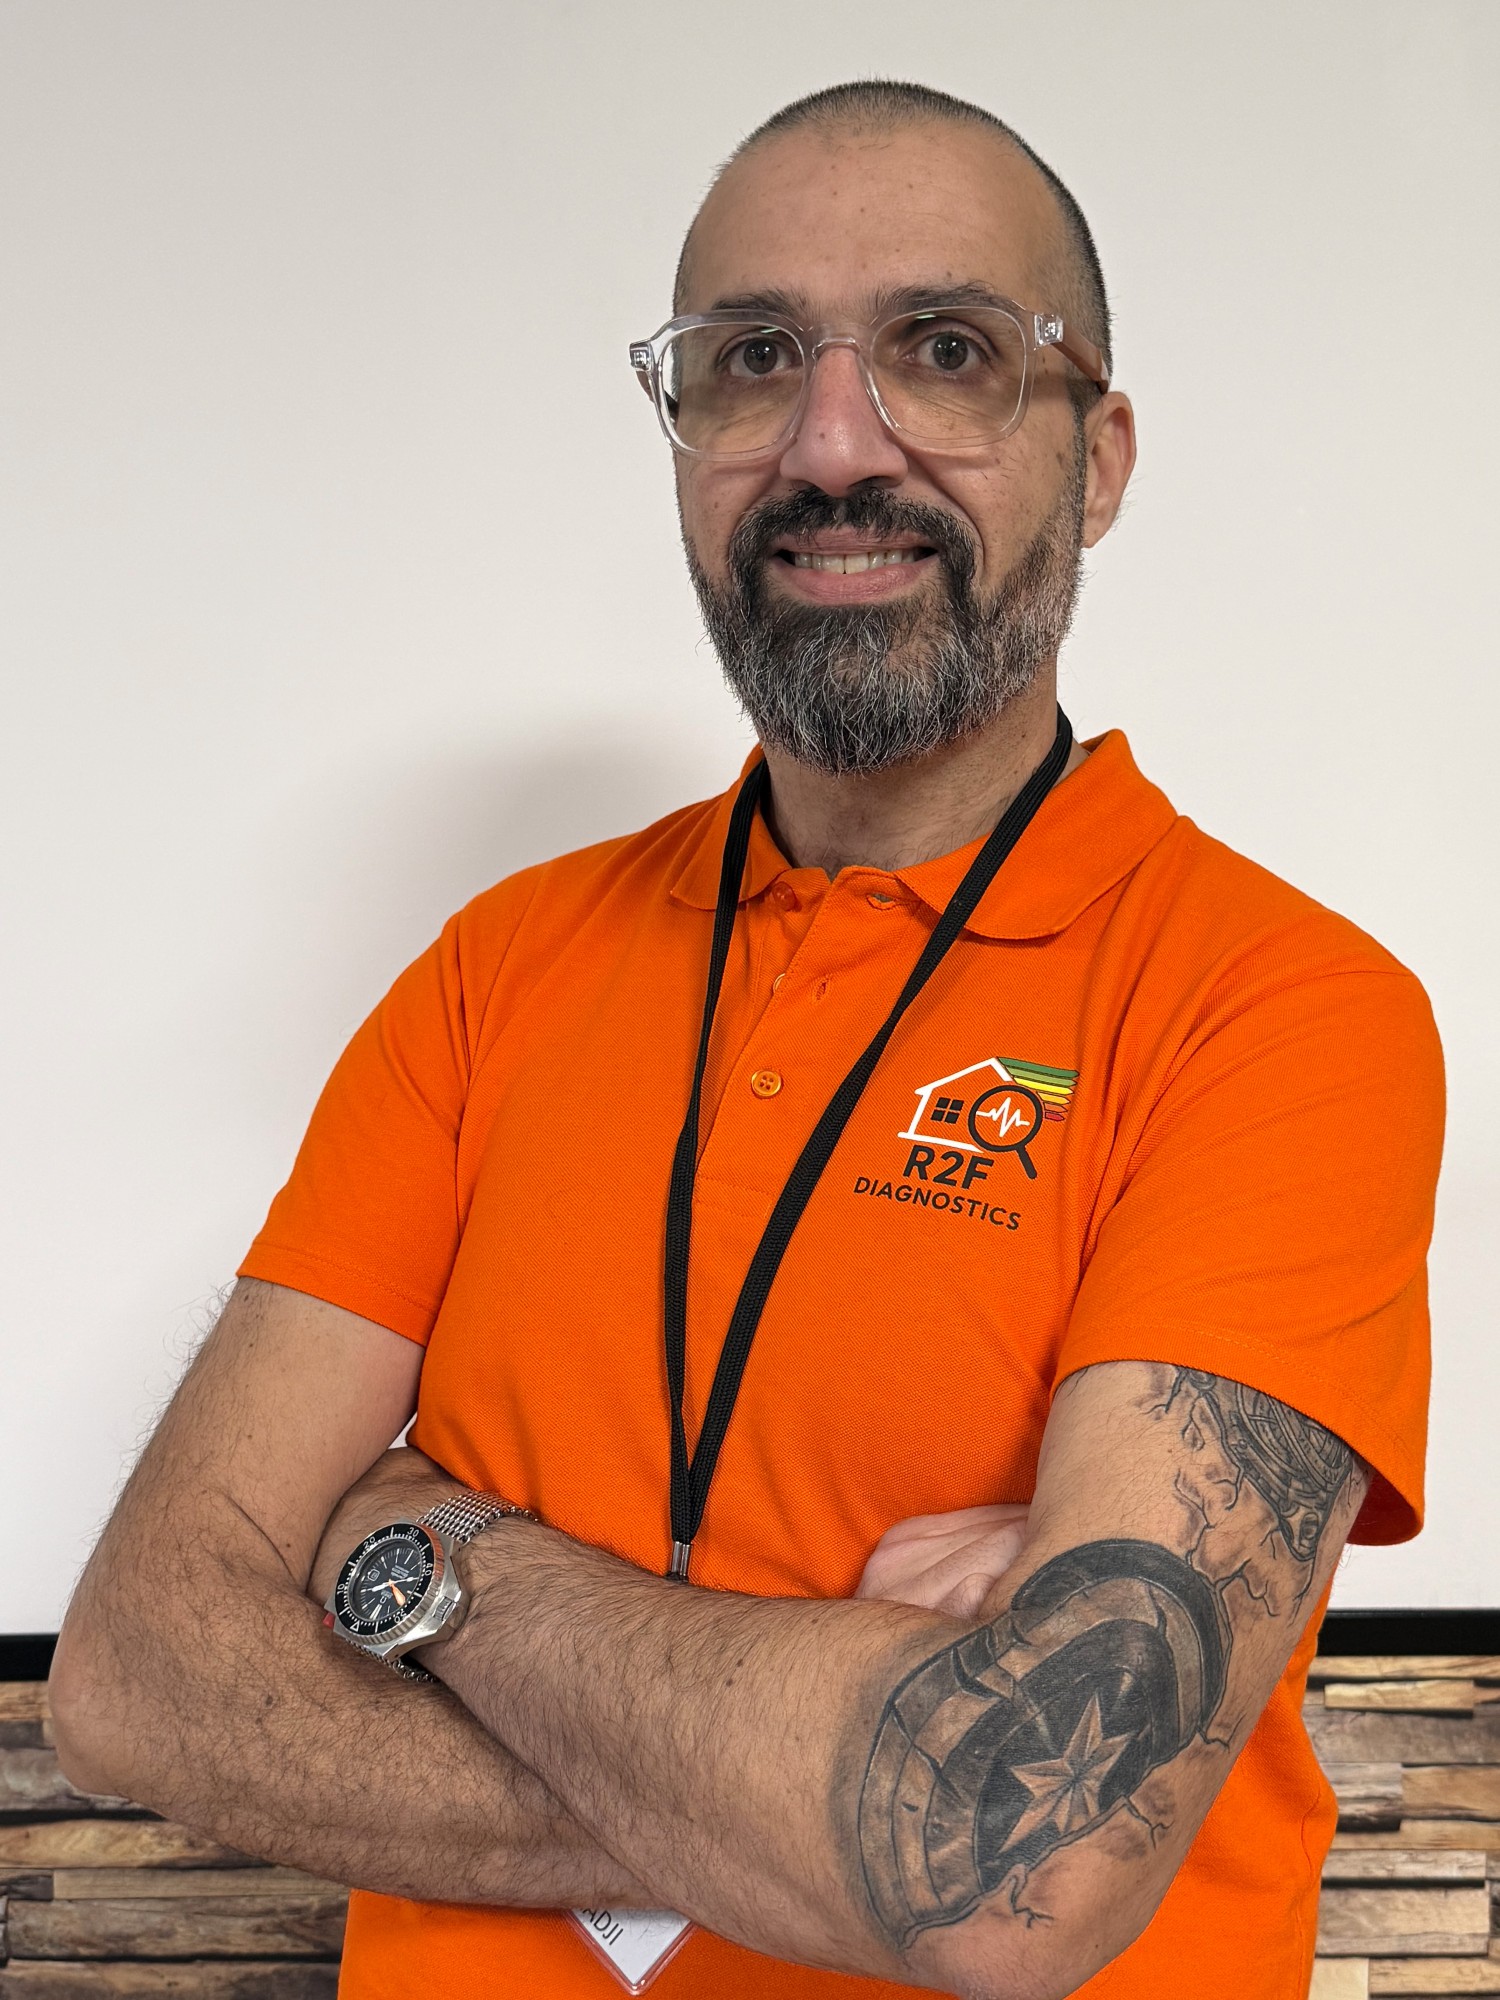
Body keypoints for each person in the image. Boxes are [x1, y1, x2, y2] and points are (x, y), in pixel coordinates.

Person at [51, 79, 1443, 2000]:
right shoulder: (498, 967)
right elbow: (135, 1681)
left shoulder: (1281, 1011)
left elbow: (1014, 1879)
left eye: (946, 350)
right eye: (752, 359)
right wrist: (835, 1769)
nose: (832, 445)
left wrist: (429, 1553)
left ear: (1100, 458)